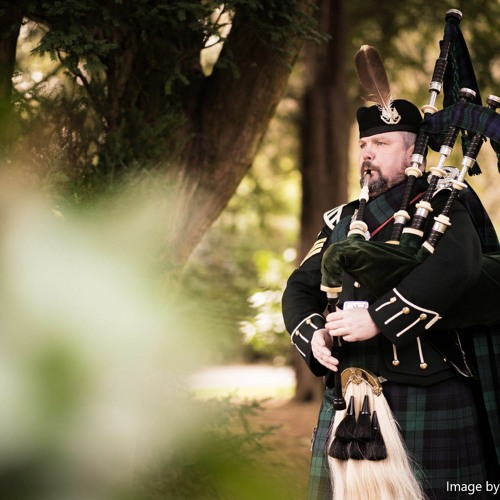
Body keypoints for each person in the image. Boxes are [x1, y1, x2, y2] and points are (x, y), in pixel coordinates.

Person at [282, 98, 500, 499]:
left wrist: (380, 320)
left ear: (412, 151)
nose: (367, 153)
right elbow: (299, 286)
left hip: (428, 392)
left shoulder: (443, 203)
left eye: (381, 144)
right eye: (364, 145)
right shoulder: (341, 220)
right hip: (347, 397)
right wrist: (313, 335)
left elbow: (458, 266)